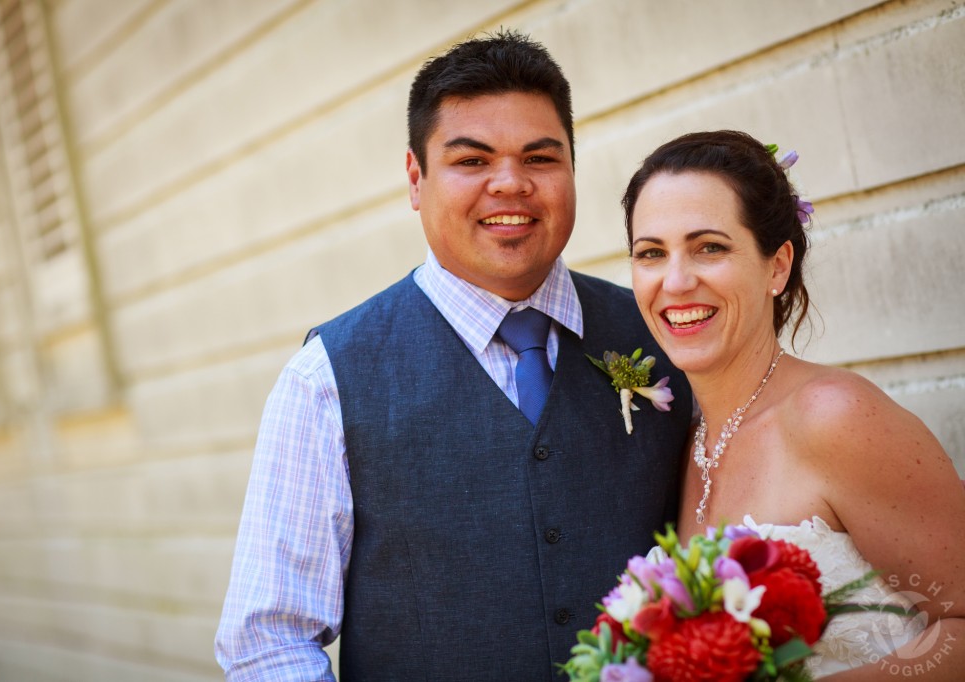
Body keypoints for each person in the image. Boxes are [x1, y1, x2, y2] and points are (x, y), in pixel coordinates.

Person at [215, 30, 693, 681]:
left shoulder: (659, 332)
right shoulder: (327, 379)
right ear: (417, 179)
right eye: (472, 161)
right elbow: (268, 640)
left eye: (540, 158)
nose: (510, 184)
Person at [622, 129, 965, 678]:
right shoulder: (677, 442)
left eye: (709, 246)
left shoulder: (837, 417)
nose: (677, 281)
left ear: (777, 266)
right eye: (651, 253)